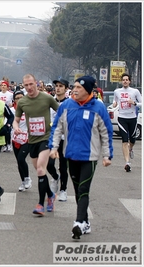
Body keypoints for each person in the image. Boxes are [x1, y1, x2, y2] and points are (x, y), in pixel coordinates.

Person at [49, 75, 113, 239]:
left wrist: (107, 155)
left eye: (79, 88)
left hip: (89, 157)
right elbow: (57, 128)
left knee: (84, 188)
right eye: (75, 87)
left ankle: (78, 222)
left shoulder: (98, 107)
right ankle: (85, 222)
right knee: (78, 190)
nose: (75, 90)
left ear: (88, 90)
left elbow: (106, 133)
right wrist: (54, 147)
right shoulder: (67, 106)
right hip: (71, 154)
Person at [13, 73, 58, 216]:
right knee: (40, 172)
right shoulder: (22, 102)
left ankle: (40, 204)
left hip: (46, 138)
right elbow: (16, 119)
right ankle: (50, 195)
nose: (29, 87)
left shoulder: (47, 98)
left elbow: (61, 112)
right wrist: (16, 127)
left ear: (36, 83)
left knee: (40, 169)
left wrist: (57, 130)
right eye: (26, 85)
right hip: (32, 140)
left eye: (31, 84)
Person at [112, 73, 142, 172]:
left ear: (129, 81)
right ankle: (127, 163)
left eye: (126, 79)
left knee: (132, 140)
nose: (125, 81)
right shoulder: (117, 91)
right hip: (122, 118)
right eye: (123, 79)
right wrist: (114, 104)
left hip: (132, 118)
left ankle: (130, 149)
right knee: (124, 140)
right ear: (121, 81)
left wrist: (134, 103)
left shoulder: (135, 91)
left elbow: (142, 103)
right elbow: (114, 102)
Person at [48, 79, 70, 201]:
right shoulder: (50, 101)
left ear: (66, 88)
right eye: (56, 86)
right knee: (49, 163)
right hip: (52, 137)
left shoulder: (70, 103)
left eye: (61, 86)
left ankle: (63, 190)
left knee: (63, 166)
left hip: (64, 138)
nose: (58, 88)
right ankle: (55, 177)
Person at [10, 90, 32, 192]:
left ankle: (27, 179)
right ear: (14, 100)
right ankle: (23, 181)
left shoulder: (29, 109)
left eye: (21, 97)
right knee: (19, 162)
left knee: (21, 158)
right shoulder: (12, 110)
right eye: (17, 98)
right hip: (15, 138)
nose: (19, 100)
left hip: (27, 138)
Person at [0, 80, 13, 152]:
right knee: (1, 128)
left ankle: (8, 144)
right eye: (2, 85)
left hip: (8, 112)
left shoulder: (10, 94)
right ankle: (4, 144)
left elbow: (13, 102)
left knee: (7, 129)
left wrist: (11, 105)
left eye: (4, 85)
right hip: (0, 113)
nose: (3, 87)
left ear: (7, 87)